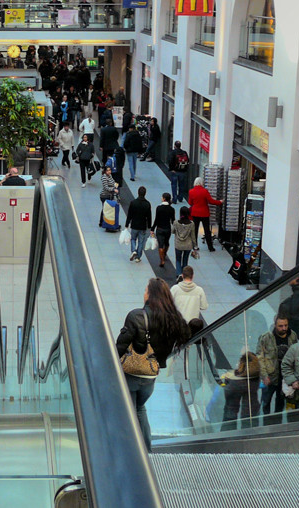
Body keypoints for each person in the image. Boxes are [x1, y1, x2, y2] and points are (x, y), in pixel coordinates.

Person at [115, 278, 191, 451]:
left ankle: (130, 452)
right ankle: (146, 450)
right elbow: (187, 334)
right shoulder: (174, 319)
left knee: (128, 412)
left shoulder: (136, 316)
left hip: (130, 373)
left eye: (145, 290)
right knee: (139, 409)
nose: (144, 293)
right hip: (150, 375)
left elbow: (120, 346)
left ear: (150, 294)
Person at [256, 314, 297, 420]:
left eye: (286, 325)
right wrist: (264, 375)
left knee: (280, 401)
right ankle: (266, 420)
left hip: (285, 376)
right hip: (270, 376)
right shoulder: (266, 338)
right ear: (275, 325)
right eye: (280, 326)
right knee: (266, 401)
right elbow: (260, 358)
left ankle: (276, 422)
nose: (284, 328)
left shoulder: (292, 336)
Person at [221, 351, 262, 429]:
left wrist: (228, 380)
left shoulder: (239, 381)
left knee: (230, 416)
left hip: (233, 411)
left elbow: (229, 391)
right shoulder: (255, 376)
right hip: (251, 410)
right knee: (250, 424)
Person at [188, 177, 222, 252]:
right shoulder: (205, 191)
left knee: (195, 230)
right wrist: (219, 202)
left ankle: (195, 246)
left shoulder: (191, 191)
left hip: (195, 213)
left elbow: (190, 203)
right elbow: (211, 201)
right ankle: (210, 247)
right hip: (204, 213)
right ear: (202, 182)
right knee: (207, 230)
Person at [125, 186, 153, 263]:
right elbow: (149, 216)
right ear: (145, 193)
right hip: (143, 225)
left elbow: (129, 214)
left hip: (134, 224)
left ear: (138, 193)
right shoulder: (147, 204)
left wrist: (127, 224)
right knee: (141, 242)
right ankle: (138, 257)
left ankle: (133, 250)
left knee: (133, 239)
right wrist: (150, 227)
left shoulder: (133, 203)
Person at [151, 193, 176, 267]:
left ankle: (162, 260)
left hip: (160, 229)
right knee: (167, 243)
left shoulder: (159, 208)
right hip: (167, 229)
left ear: (164, 199)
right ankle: (164, 253)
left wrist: (152, 228)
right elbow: (173, 221)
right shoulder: (172, 209)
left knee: (160, 245)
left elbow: (156, 219)